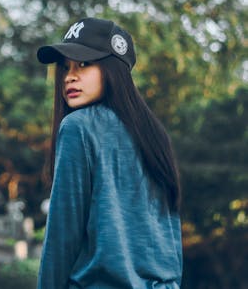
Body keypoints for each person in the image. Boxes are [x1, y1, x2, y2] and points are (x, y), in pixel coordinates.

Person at [36, 17, 182, 289]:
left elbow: (62, 238)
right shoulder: (155, 135)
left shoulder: (77, 127)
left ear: (113, 70)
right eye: (65, 67)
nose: (70, 76)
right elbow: (170, 237)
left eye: (84, 64)